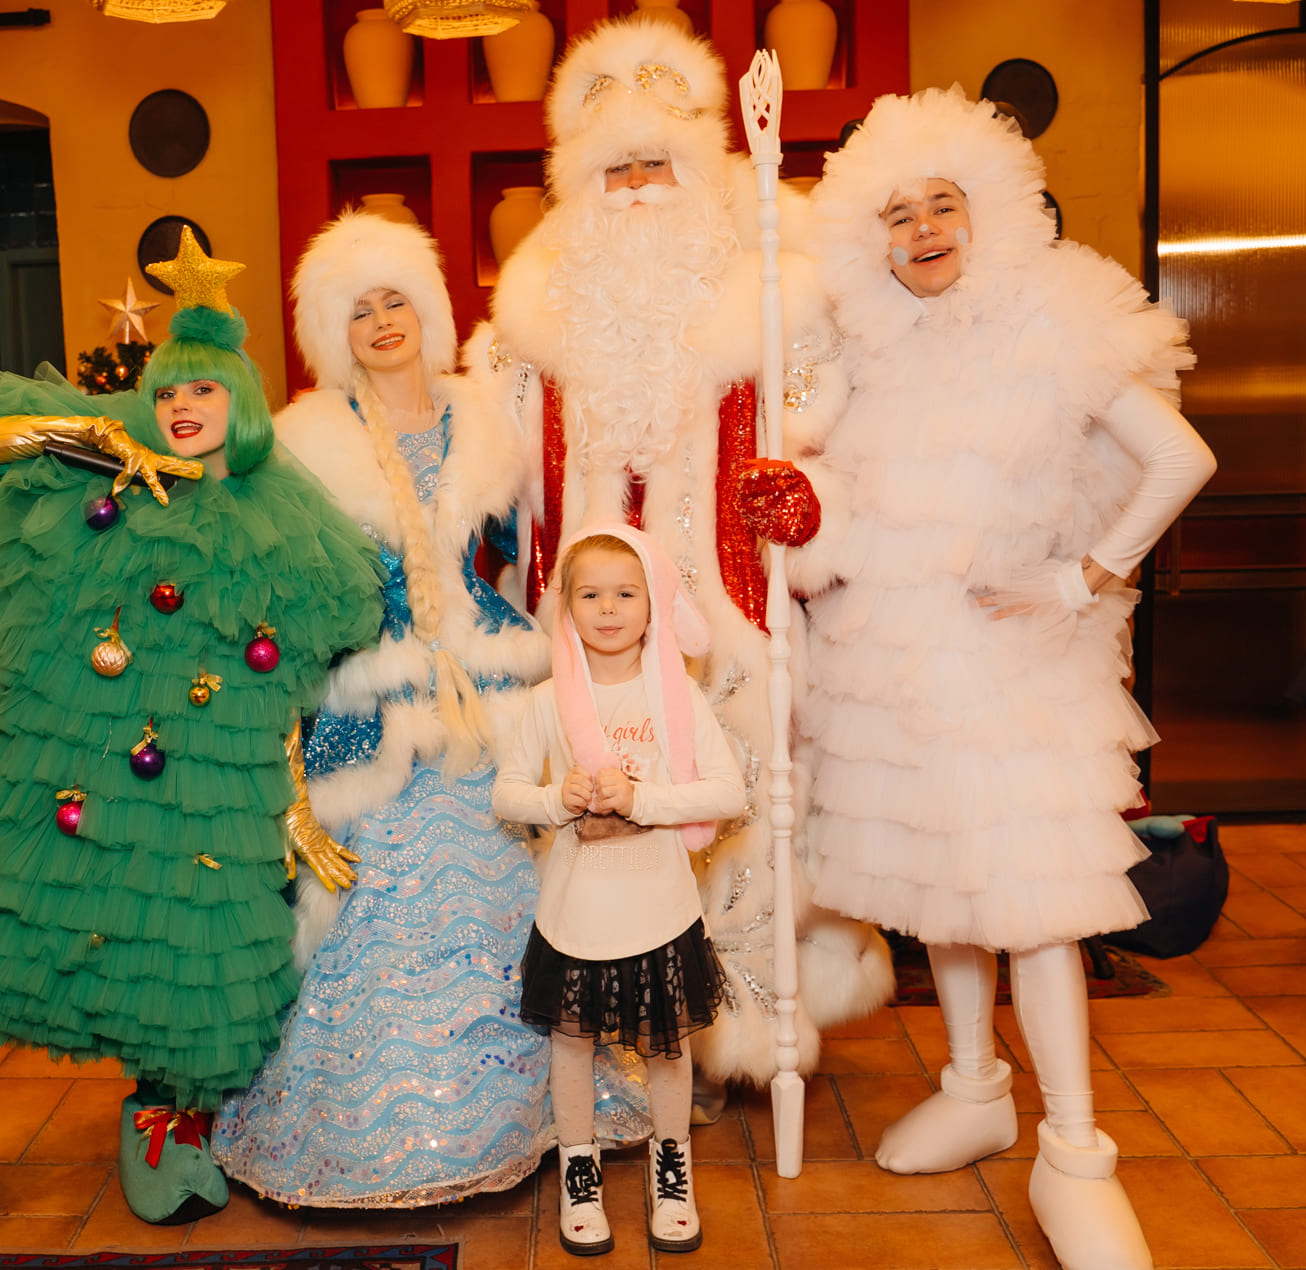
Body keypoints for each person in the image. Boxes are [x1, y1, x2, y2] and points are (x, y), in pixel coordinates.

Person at [0, 230, 384, 1234]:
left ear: (241, 404)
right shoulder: (103, 471)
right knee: (0, 910)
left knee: (172, 934)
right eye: (168, 391)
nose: (182, 407)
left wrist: (292, 807)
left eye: (204, 391)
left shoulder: (283, 523)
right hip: (63, 755)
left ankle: (157, 1110)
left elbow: (278, 682)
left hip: (199, 777)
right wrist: (99, 435)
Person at [789, 88, 1216, 1270]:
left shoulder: (1055, 323)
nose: (922, 229)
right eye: (896, 213)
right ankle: (975, 1086)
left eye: (943, 204)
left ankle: (1075, 1151)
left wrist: (1084, 578)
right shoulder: (872, 350)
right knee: (942, 883)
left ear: (990, 211)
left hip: (1014, 675)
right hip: (900, 664)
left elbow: (1180, 457)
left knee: (1034, 903)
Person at [468, 16, 894, 1111]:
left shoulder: (772, 289)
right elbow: (489, 466)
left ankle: (740, 1033)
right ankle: (620, 1053)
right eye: (615, 170)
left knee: (733, 822)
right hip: (586, 626)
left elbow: (834, 446)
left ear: (701, 169)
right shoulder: (531, 311)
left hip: (732, 621)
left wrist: (804, 502)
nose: (637, 189)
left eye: (657, 164)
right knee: (602, 828)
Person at [210, 210, 571, 1207]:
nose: (380, 322)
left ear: (428, 310)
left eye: (394, 301)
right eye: (359, 310)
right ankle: (372, 1130)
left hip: (483, 673)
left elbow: (524, 548)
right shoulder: (305, 440)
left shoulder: (483, 417)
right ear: (335, 333)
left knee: (511, 867)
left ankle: (531, 1112)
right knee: (373, 885)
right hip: (370, 680)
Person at [495, 524, 742, 1256]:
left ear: (653, 604)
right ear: (565, 607)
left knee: (668, 1050)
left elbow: (726, 791)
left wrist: (642, 800)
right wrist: (555, 799)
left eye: (626, 594)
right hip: (576, 914)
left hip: (659, 910)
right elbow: (507, 793)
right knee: (571, 1045)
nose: (608, 609)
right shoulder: (545, 701)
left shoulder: (677, 696)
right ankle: (581, 1173)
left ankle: (672, 1174)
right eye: (590, 595)